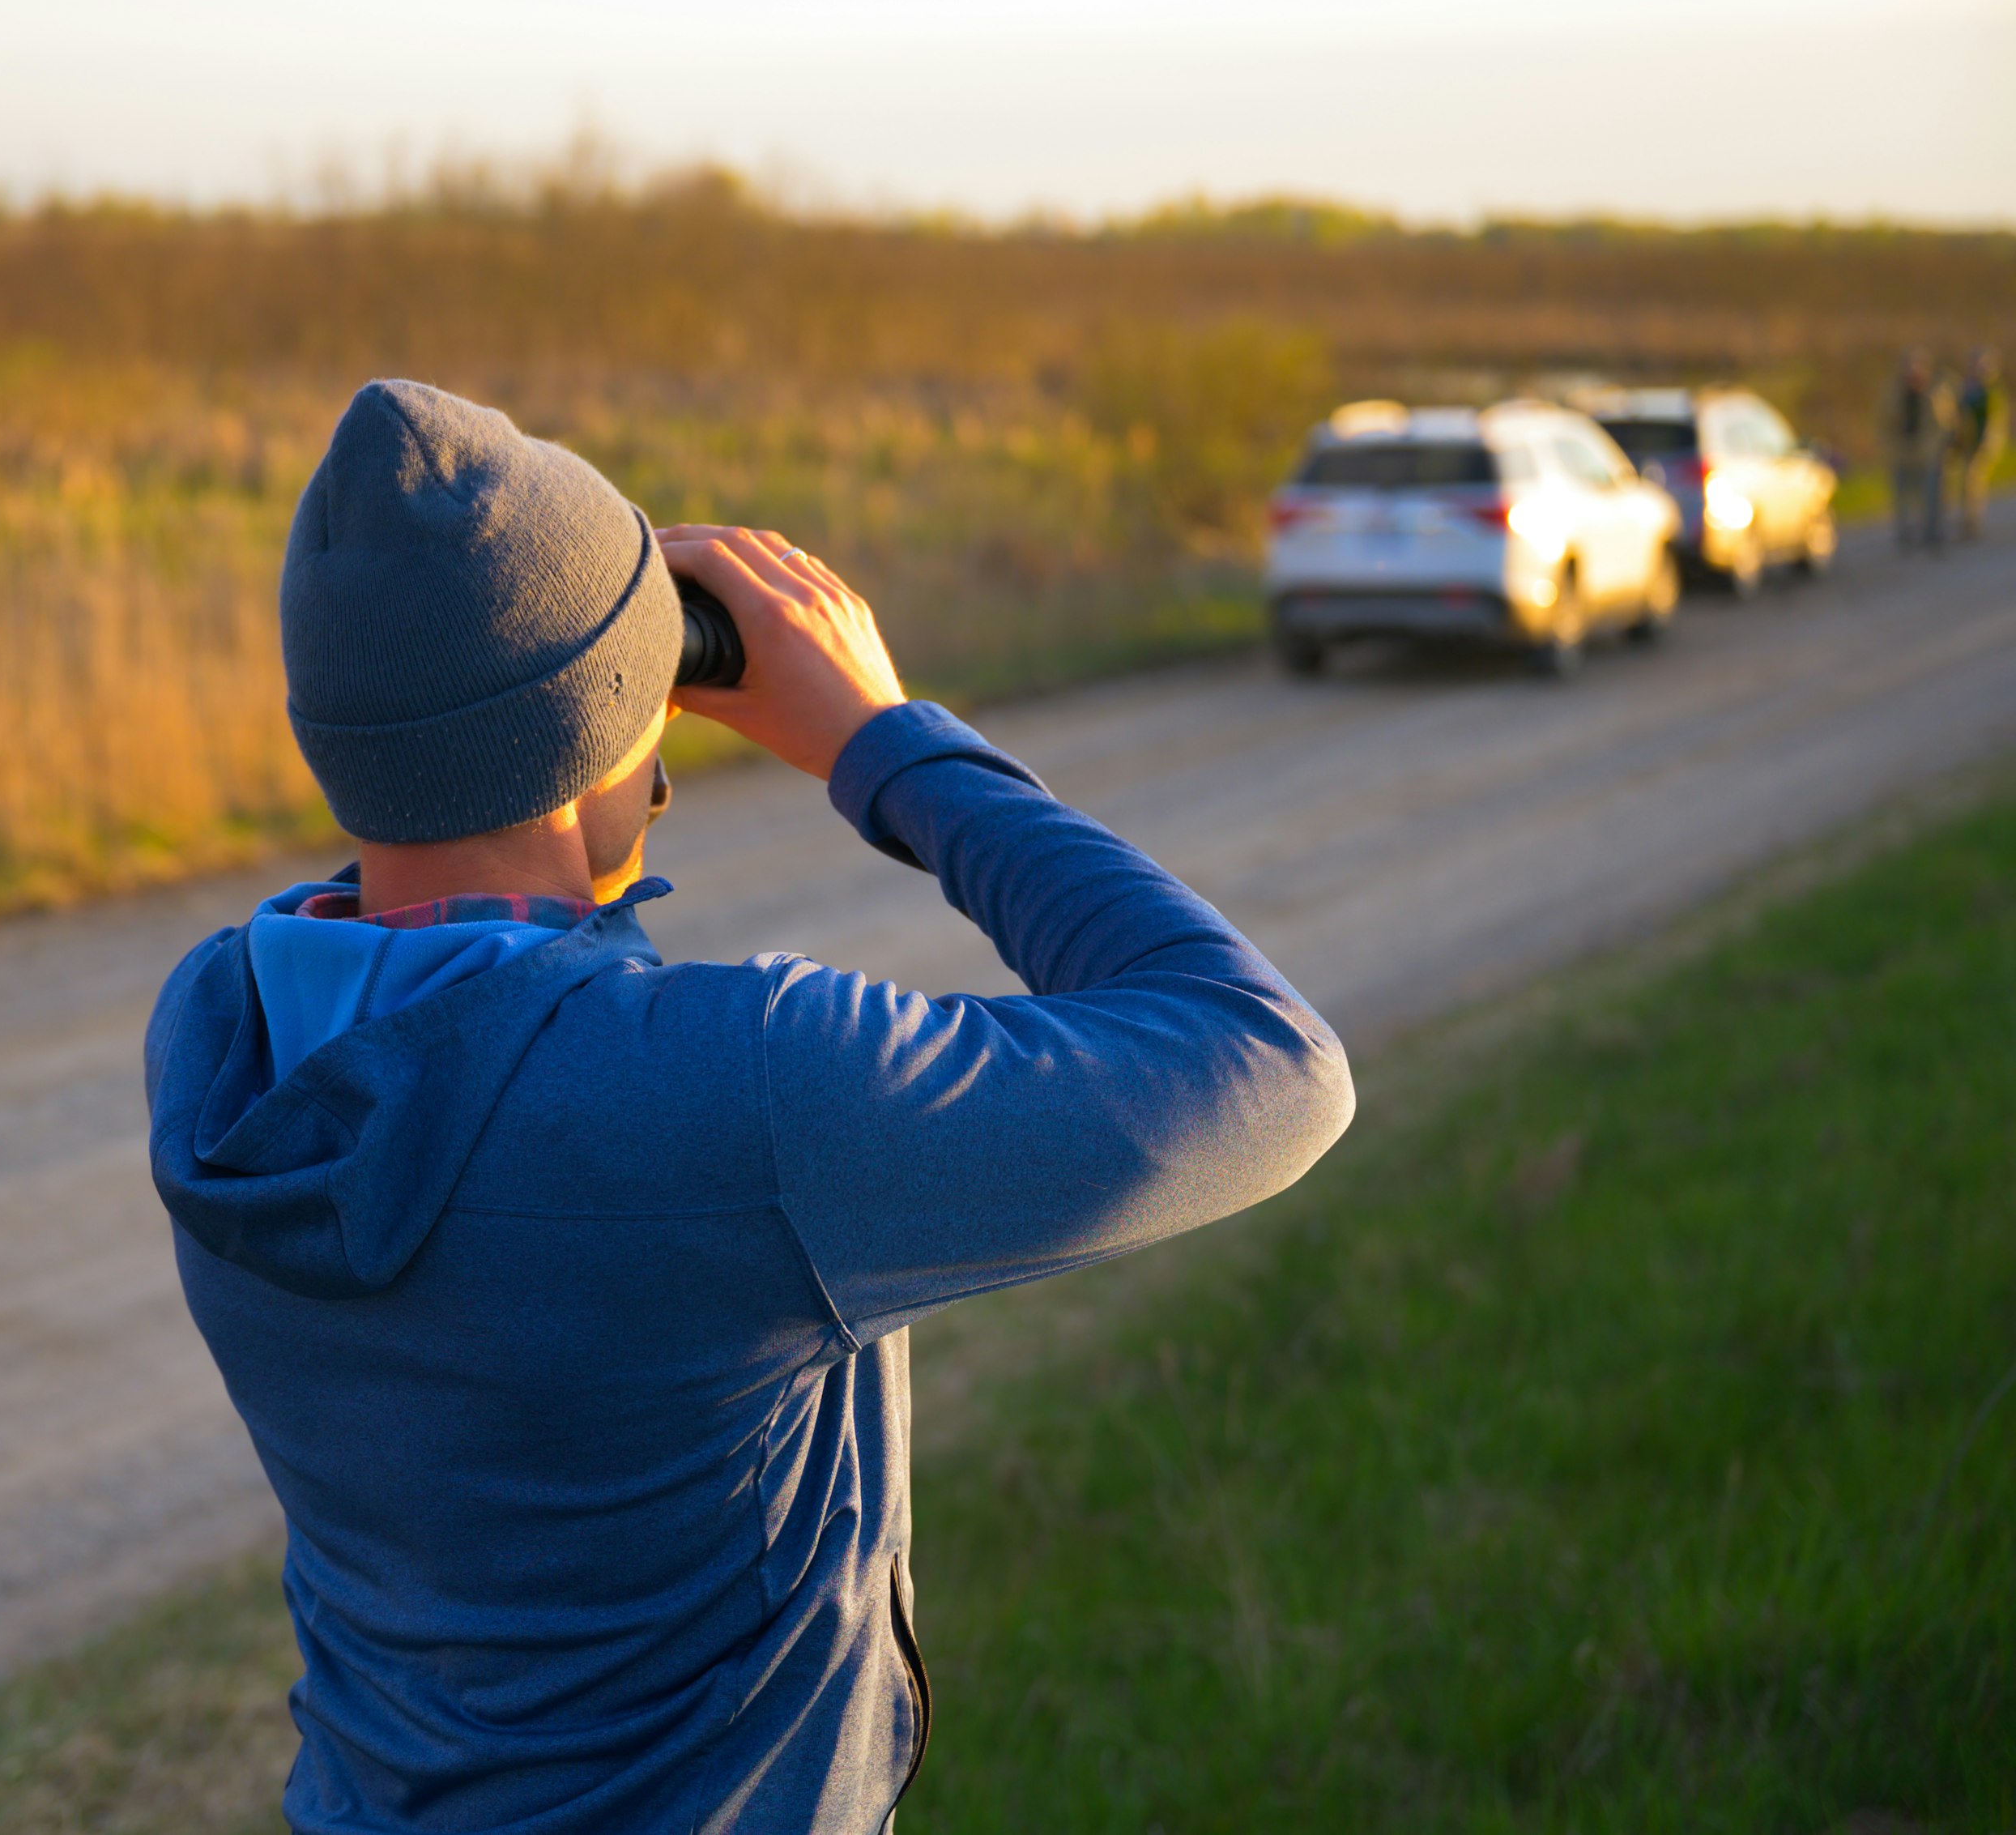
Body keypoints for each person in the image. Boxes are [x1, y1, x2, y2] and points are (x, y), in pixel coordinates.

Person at [147, 381, 1353, 1833]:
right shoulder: (736, 1093)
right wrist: (882, 740)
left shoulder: (221, 1033)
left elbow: (493, 1008)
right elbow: (1268, 1064)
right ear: (619, 721)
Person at [1886, 348, 1950, 553]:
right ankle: (1905, 536)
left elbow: (1945, 422)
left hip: (1928, 452)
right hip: (1901, 452)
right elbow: (1884, 421)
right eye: (1908, 367)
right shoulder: (1894, 392)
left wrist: (1940, 448)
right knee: (1904, 496)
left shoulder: (1936, 392)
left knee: (1931, 496)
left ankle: (1932, 533)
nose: (1913, 372)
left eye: (1917, 366)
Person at [1954, 348, 2003, 543]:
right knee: (1968, 482)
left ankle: (1972, 522)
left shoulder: (1991, 390)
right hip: (1968, 441)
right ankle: (1969, 519)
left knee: (1973, 481)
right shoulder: (1967, 387)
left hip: (1984, 442)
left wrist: (1988, 444)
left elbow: (1995, 419)